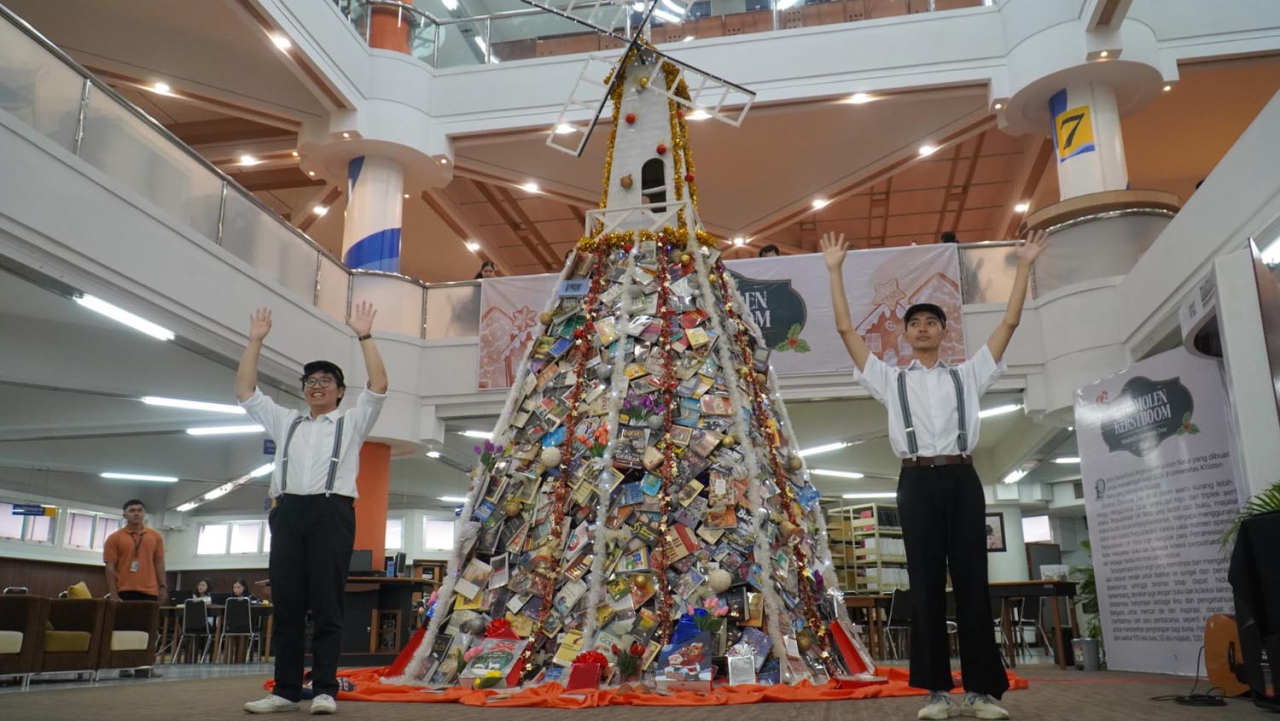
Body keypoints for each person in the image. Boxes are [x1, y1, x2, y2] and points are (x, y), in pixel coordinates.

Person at [822, 229, 1048, 721]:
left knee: (972, 582)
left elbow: (1009, 322)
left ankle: (981, 692)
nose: (923, 329)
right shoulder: (890, 379)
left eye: (931, 322)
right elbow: (845, 331)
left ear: (945, 332)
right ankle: (936, 693)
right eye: (915, 323)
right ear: (904, 334)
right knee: (924, 585)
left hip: (963, 480)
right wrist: (834, 270)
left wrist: (1025, 265)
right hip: (916, 482)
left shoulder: (968, 373)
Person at [236, 301, 388, 715]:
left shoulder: (351, 422)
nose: (316, 386)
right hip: (288, 514)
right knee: (286, 606)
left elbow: (378, 385)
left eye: (325, 381)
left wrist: (364, 335)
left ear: (339, 391)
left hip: (331, 513)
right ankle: (286, 691)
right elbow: (245, 391)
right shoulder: (286, 421)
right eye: (310, 381)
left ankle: (324, 690)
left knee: (327, 606)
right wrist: (255, 341)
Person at [103, 499, 166, 603]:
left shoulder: (156, 537)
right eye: (132, 511)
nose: (136, 513)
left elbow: (159, 563)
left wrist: (163, 586)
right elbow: (110, 568)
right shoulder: (114, 538)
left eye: (139, 510)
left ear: (144, 514)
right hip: (124, 591)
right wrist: (113, 595)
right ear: (124, 515)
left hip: (150, 592)